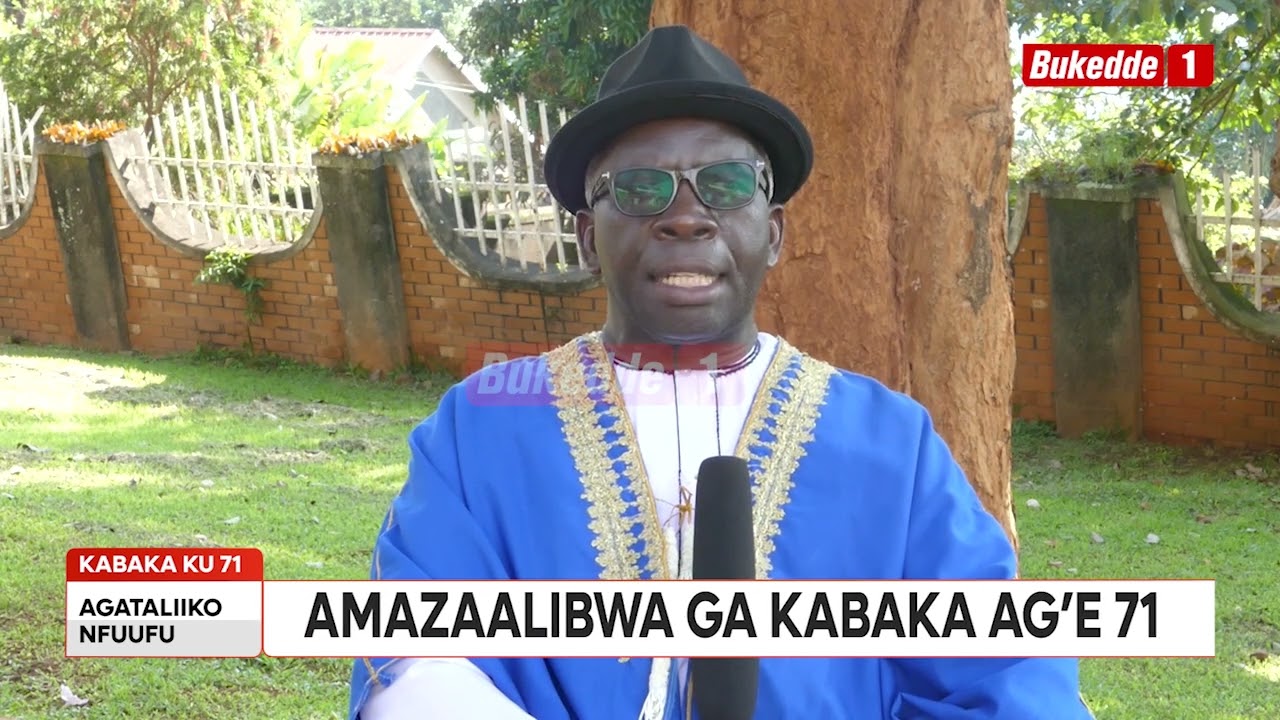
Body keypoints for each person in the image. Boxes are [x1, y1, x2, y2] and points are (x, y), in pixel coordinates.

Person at [347, 24, 1094, 720]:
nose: (686, 216)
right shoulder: (480, 428)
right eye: (641, 189)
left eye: (729, 184)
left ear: (774, 232)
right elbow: (417, 656)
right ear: (587, 237)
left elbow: (1008, 670)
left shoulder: (891, 444)